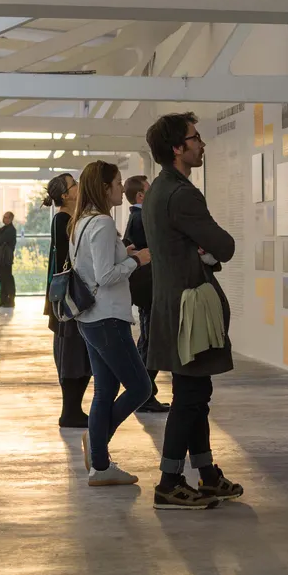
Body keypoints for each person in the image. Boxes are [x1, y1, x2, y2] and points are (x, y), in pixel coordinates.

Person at [144, 112, 241, 511]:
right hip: (189, 309)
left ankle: (207, 474)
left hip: (174, 304)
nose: (202, 144)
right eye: (195, 138)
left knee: (195, 392)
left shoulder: (158, 190)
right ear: (176, 148)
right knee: (190, 396)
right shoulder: (182, 194)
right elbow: (225, 245)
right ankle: (169, 482)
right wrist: (209, 249)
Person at [70, 160, 152, 486]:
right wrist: (136, 260)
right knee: (141, 387)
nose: (121, 188)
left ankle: (100, 466)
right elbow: (104, 276)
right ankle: (97, 441)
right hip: (107, 318)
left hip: (89, 318)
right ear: (105, 188)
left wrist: (123, 254)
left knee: (105, 390)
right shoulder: (103, 223)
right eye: (117, 183)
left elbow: (92, 267)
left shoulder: (81, 222)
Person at [45, 173, 91, 428]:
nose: (79, 186)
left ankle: (74, 410)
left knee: (78, 352)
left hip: (72, 296)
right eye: (74, 185)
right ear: (65, 195)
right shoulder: (62, 220)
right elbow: (68, 260)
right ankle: (70, 411)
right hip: (68, 299)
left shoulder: (71, 218)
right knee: (72, 352)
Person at [123, 174, 169, 414]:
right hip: (148, 287)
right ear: (141, 196)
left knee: (149, 339)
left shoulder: (138, 216)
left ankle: (144, 393)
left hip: (146, 287)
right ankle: (144, 394)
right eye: (149, 190)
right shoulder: (141, 218)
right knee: (151, 341)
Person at [0, 211, 17, 308]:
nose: (4, 219)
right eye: (4, 217)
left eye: (6, 217)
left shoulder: (11, 230)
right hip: (0, 258)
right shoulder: (4, 229)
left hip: (6, 258)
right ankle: (3, 301)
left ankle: (10, 301)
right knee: (1, 279)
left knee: (7, 279)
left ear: (11, 219)